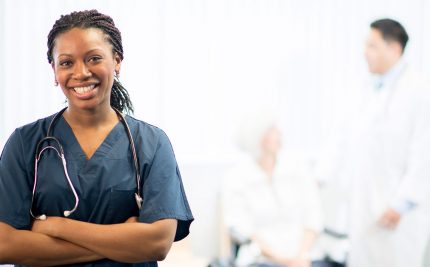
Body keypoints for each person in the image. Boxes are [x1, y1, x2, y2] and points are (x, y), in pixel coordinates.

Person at [0, 10, 193, 267]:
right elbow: (5, 245)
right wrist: (125, 244)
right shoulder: (25, 143)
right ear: (54, 70)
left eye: (94, 58)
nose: (81, 73)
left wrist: (58, 227)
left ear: (117, 61)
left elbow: (157, 242)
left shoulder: (151, 143)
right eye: (67, 62)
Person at [316, 18, 430, 267]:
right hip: (364, 206)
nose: (364, 53)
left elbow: (424, 155)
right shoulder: (365, 89)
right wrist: (320, 176)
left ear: (394, 49)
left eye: (372, 46)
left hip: (400, 215)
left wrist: (401, 204)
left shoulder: (420, 92)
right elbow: (343, 139)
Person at [220, 110, 325, 267]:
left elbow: (313, 216)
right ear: (258, 137)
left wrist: (302, 255)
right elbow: (243, 229)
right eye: (272, 130)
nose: (280, 133)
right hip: (262, 261)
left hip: (305, 258)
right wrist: (284, 261)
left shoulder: (298, 169)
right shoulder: (236, 179)